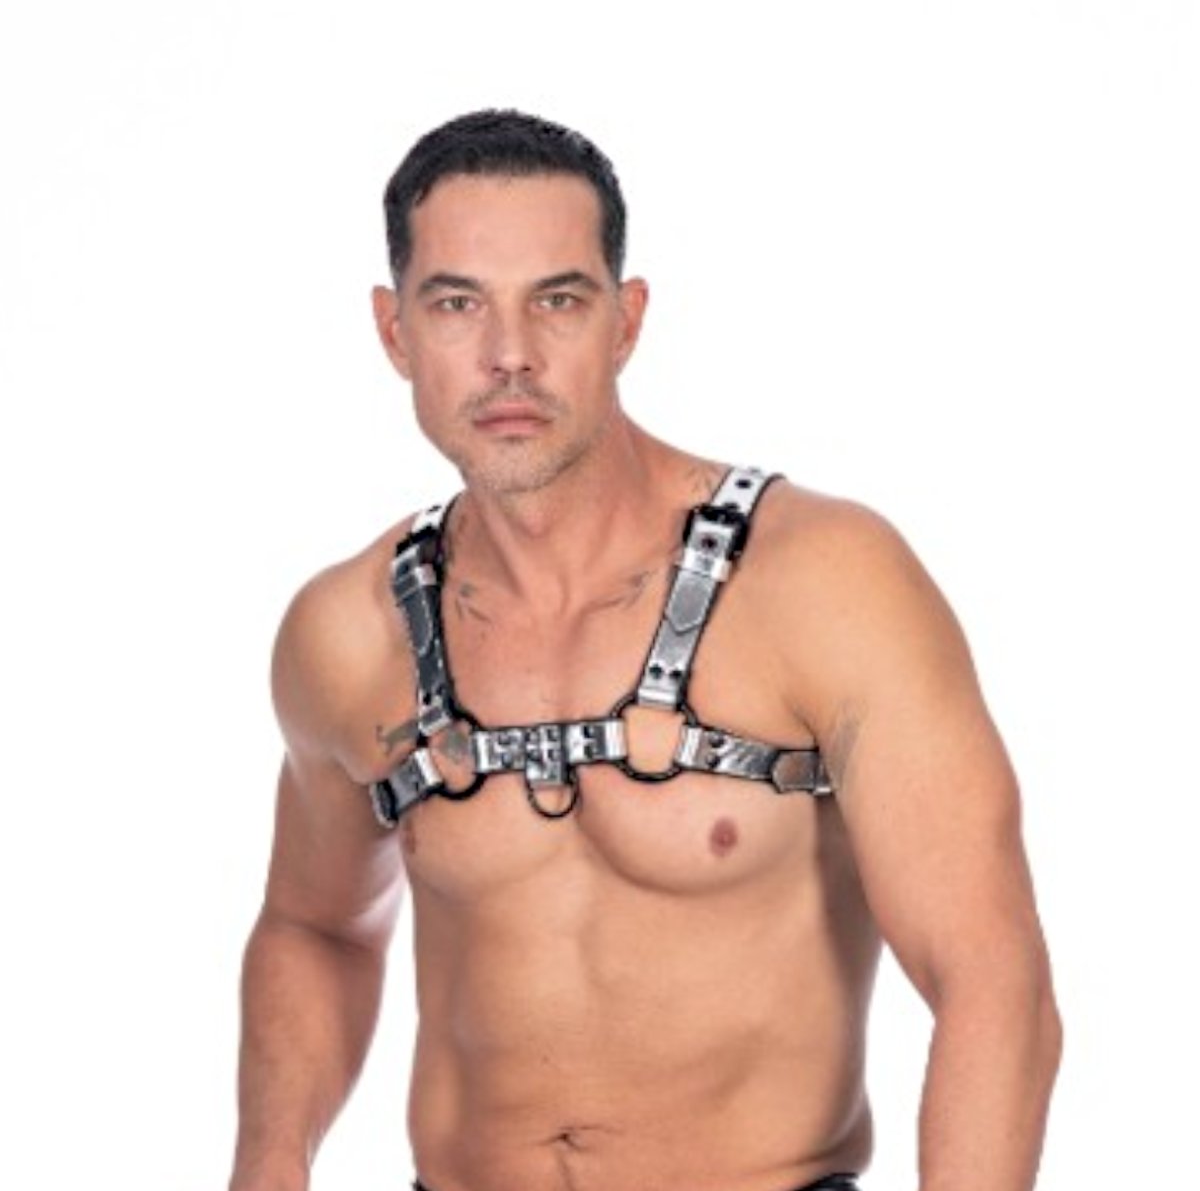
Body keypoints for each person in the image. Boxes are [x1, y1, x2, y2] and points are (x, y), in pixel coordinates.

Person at [229, 109, 1061, 1191]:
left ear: (625, 323)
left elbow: (992, 976)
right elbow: (315, 928)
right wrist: (267, 1166)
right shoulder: (349, 631)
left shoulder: (822, 581)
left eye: (558, 300)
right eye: (458, 304)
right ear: (395, 332)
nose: (510, 356)